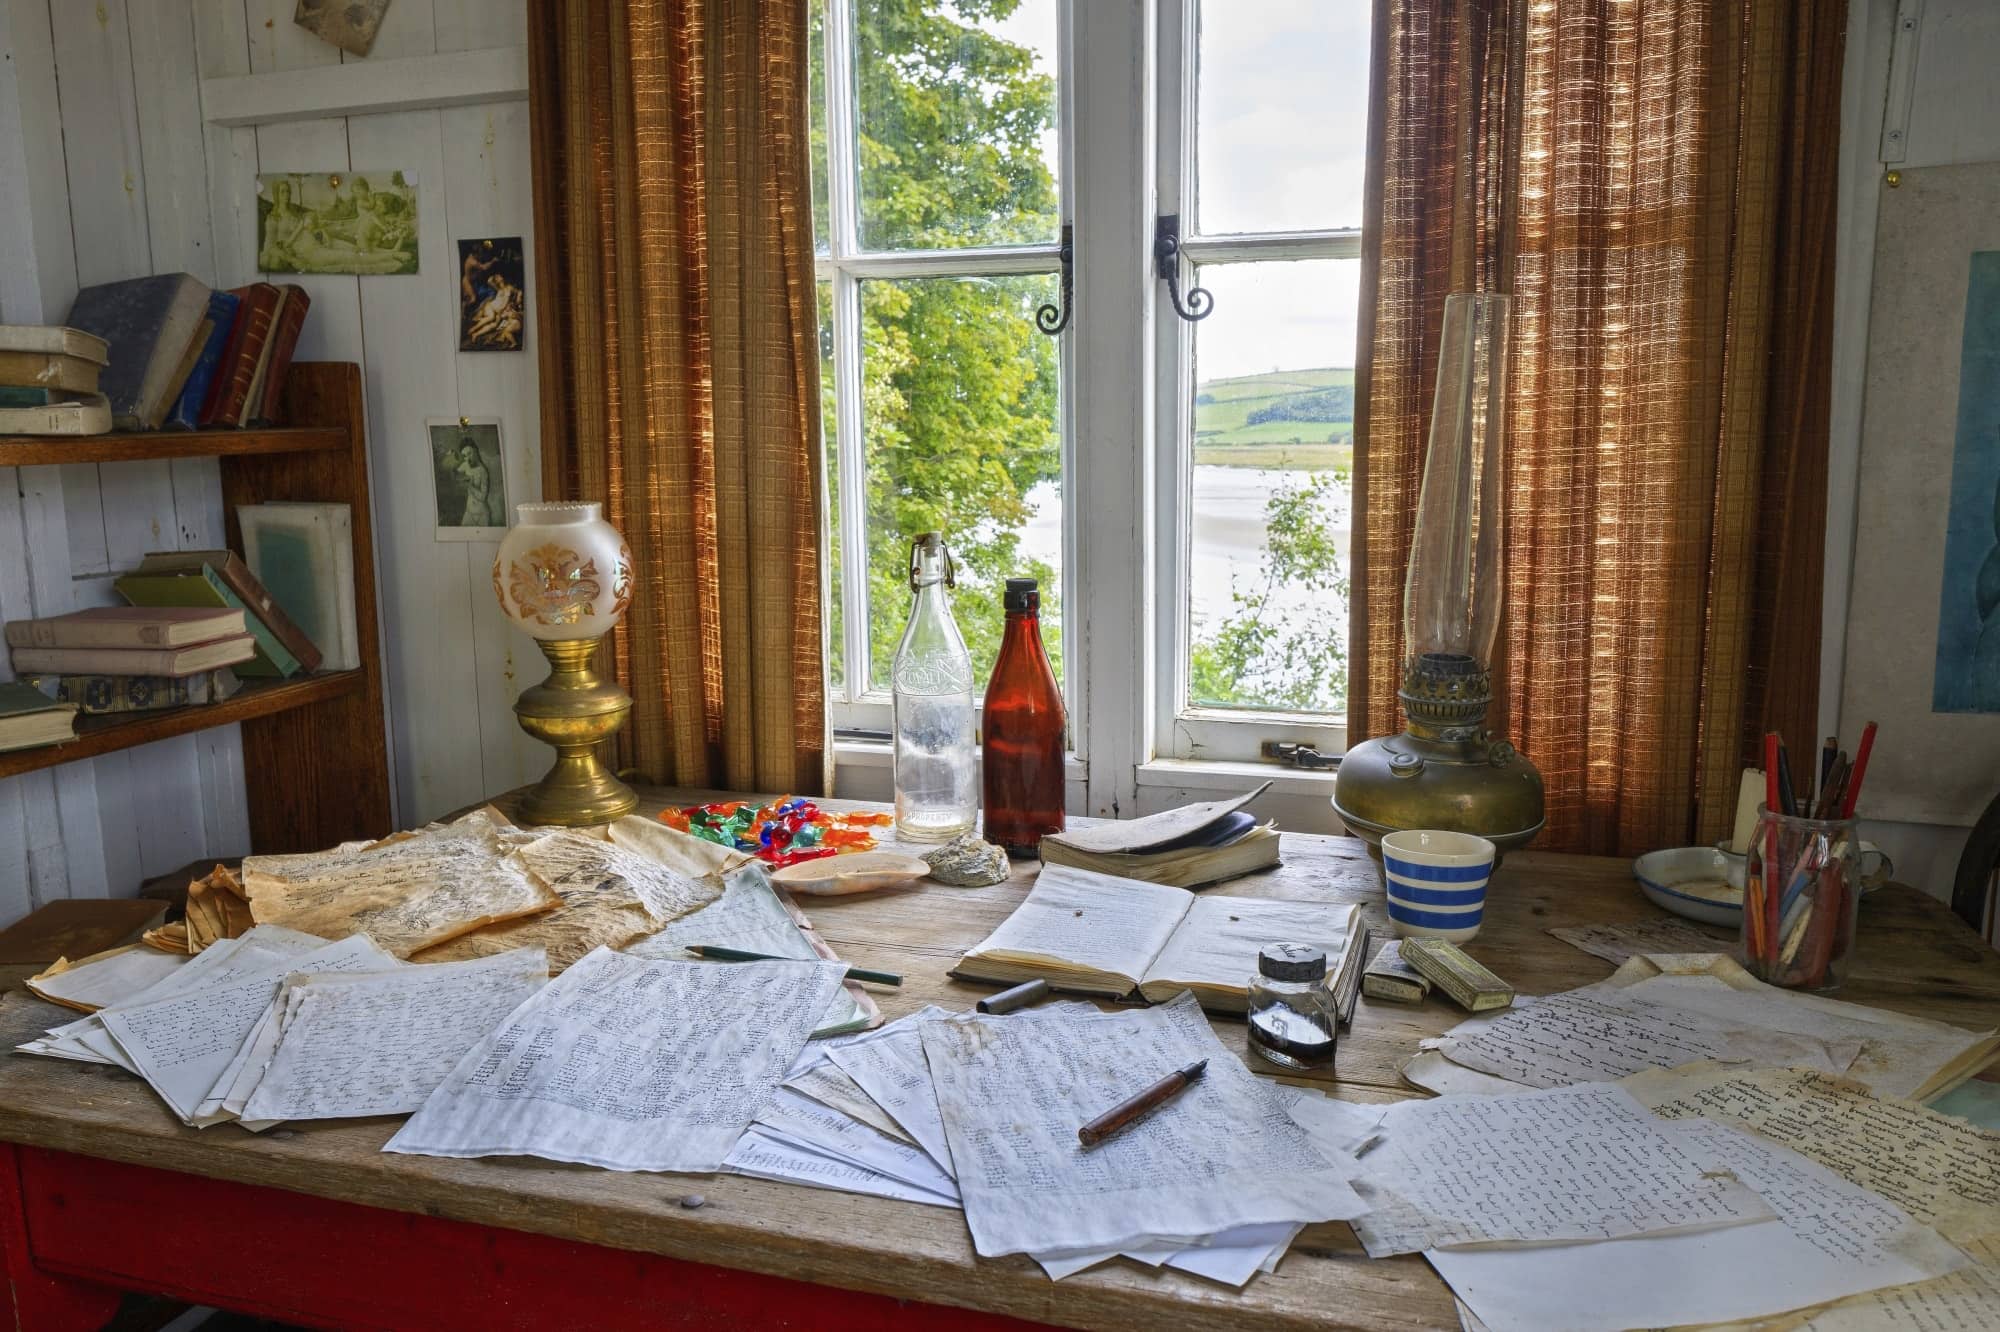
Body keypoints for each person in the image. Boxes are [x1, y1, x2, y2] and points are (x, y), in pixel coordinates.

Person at [450, 438, 497, 527]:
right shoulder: (466, 464)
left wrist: (470, 486)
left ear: (475, 451)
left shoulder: (483, 471)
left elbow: (483, 497)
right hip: (469, 513)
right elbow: (455, 474)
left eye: (469, 453)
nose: (467, 458)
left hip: (482, 515)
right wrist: (453, 459)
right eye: (464, 456)